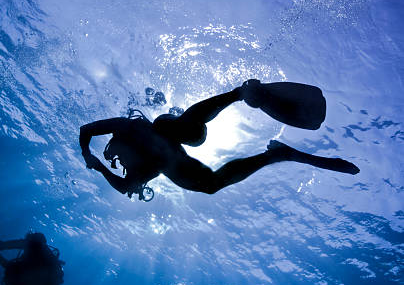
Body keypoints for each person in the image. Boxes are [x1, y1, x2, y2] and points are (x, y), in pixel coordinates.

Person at [79, 79, 359, 200]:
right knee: (210, 186)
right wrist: (101, 167)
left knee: (186, 129)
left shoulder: (129, 127)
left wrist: (86, 155)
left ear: (117, 142)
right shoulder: (145, 169)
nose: (120, 161)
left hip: (170, 128)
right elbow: (123, 185)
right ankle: (275, 156)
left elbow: (86, 129)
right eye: (117, 162)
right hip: (176, 153)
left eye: (114, 156)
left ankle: (238, 94)